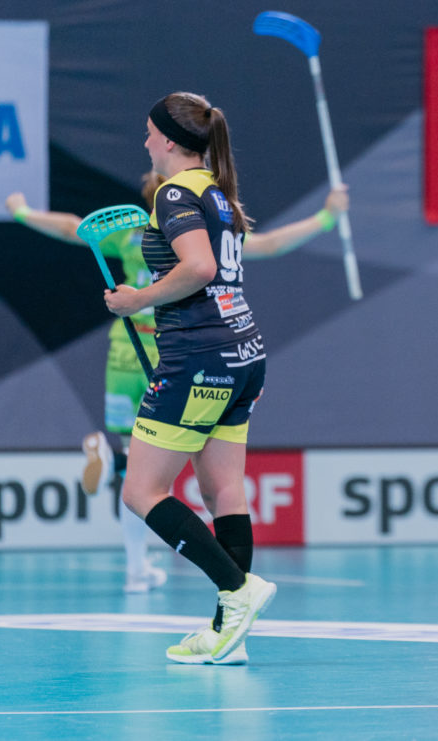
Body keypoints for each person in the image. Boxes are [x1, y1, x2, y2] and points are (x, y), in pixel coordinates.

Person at [5, 181, 349, 595]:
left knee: (140, 467)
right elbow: (272, 244)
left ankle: (136, 565)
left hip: (123, 353)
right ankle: (119, 474)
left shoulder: (132, 233)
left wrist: (23, 213)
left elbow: (71, 227)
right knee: (166, 465)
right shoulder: (203, 238)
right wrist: (327, 216)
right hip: (171, 353)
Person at [104, 91, 277, 665]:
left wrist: (138, 300)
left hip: (199, 356)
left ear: (171, 141)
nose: (145, 142)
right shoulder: (219, 193)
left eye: (149, 133)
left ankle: (238, 589)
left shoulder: (176, 192)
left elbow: (200, 267)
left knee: (140, 491)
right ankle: (231, 632)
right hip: (243, 351)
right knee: (222, 488)